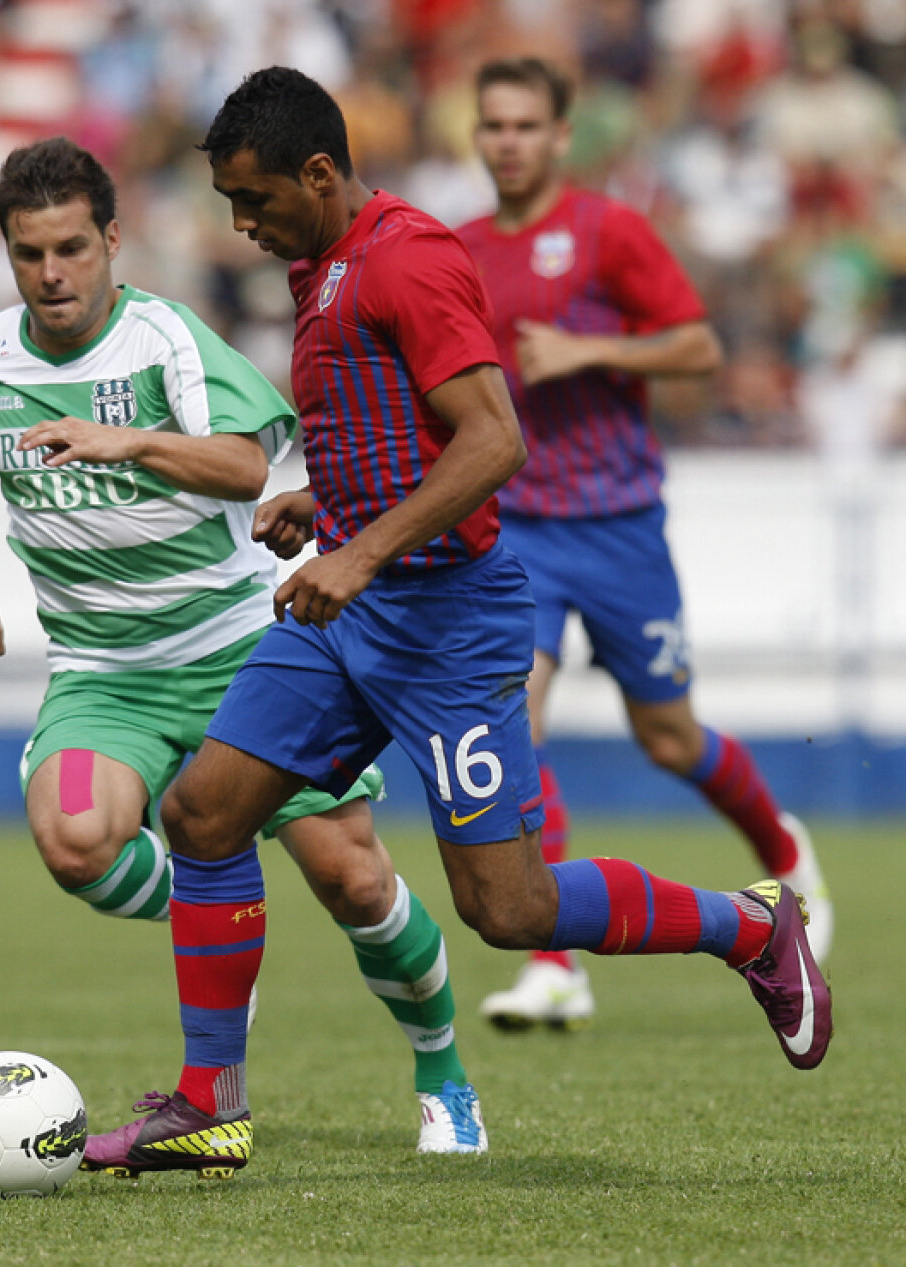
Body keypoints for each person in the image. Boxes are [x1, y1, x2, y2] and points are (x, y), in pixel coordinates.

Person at [87, 66, 832, 1182]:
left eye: (256, 199)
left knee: (510, 908)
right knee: (202, 813)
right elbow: (392, 425)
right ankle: (208, 1105)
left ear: (321, 173)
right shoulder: (323, 263)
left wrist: (363, 548)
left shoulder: (409, 255)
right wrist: (321, 501)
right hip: (348, 614)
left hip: (447, 621)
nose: (242, 224)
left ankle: (752, 924)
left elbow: (492, 441)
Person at [0, 136, 488, 1163]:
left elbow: (245, 466)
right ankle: (218, 895)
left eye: (69, 247)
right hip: (106, 673)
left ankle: (444, 1073)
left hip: (239, 652)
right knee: (74, 845)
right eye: (28, 254)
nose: (51, 273)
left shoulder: (168, 343)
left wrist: (129, 439)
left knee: (357, 884)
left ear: (111, 239)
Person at [456, 58, 833, 1033]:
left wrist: (593, 349)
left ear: (560, 134)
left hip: (619, 526)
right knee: (517, 725)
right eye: (493, 124)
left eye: (526, 125)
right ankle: (554, 964)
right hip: (518, 531)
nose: (508, 142)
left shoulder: (607, 231)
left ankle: (784, 857)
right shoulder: (458, 251)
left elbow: (700, 346)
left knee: (668, 736)